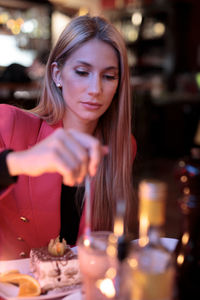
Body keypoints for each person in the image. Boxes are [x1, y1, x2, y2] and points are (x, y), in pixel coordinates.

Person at [0, 14, 137, 260]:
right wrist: (20, 162)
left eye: (109, 76)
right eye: (83, 72)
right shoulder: (9, 124)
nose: (95, 89)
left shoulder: (122, 146)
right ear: (57, 74)